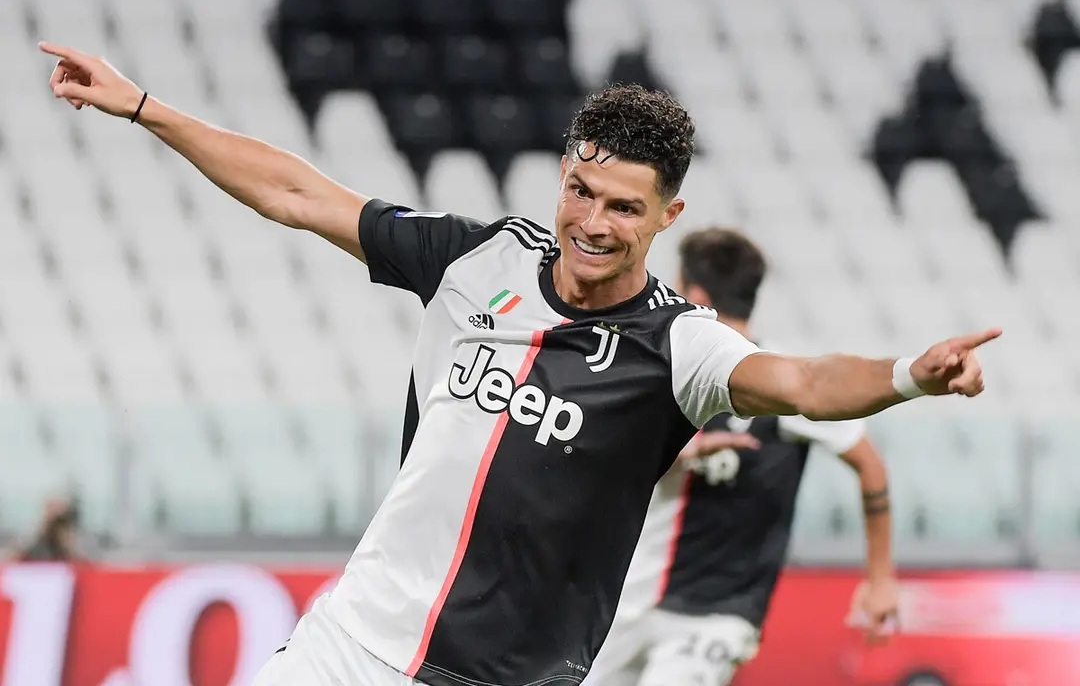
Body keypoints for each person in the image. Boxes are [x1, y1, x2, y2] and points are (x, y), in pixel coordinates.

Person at [40, 41, 999, 686]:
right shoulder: (475, 259)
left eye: (624, 208)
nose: (591, 222)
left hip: (508, 677)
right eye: (580, 190)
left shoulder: (679, 346)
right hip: (356, 642)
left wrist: (910, 374)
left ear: (667, 218)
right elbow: (298, 193)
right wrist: (140, 106)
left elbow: (804, 385)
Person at [583, 228, 898, 686]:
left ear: (692, 295)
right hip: (630, 601)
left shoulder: (781, 384)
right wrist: (675, 452)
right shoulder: (665, 372)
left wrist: (882, 580)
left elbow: (867, 463)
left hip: (715, 616)